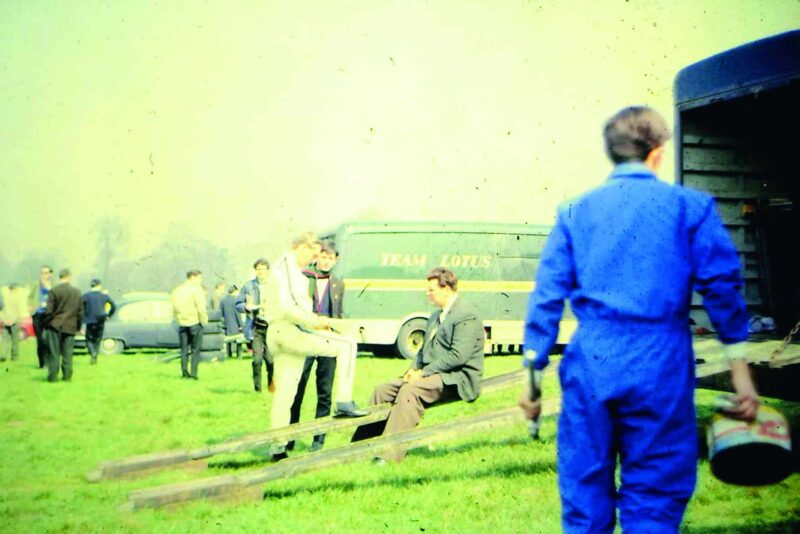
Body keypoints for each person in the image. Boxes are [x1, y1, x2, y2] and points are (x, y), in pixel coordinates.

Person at [517, 106, 760, 534]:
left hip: (592, 362)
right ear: (658, 151)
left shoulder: (574, 212)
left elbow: (546, 299)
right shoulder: (691, 207)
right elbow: (724, 290)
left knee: (584, 495)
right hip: (660, 364)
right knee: (654, 497)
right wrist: (742, 378)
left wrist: (532, 383)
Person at [352, 268, 485, 462]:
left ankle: (388, 455)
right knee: (382, 390)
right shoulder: (434, 317)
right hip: (432, 375)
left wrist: (422, 374)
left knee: (410, 392)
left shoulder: (467, 315)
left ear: (446, 288)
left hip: (457, 378)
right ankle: (359, 448)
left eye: (431, 289)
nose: (427, 293)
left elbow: (458, 356)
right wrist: (412, 371)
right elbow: (423, 352)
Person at [264, 232, 368, 460]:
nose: (311, 260)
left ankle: (278, 447)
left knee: (286, 392)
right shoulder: (287, 268)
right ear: (301, 247)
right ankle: (343, 401)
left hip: (281, 333)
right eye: (311, 254)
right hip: (290, 330)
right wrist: (317, 322)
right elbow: (290, 307)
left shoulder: (285, 268)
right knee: (348, 345)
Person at [288, 242, 345, 452]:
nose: (326, 261)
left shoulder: (339, 283)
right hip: (305, 339)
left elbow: (338, 313)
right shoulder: (304, 279)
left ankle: (318, 439)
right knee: (297, 389)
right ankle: (289, 437)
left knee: (325, 391)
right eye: (323, 257)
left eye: (330, 258)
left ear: (335, 261)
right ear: (316, 257)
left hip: (328, 342)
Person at [235, 258, 273, 392]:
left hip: (272, 327)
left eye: (263, 269)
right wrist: (247, 307)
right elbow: (238, 304)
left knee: (271, 361)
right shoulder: (248, 286)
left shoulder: (275, 286)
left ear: (268, 270)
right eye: (258, 269)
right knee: (257, 360)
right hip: (256, 326)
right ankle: (257, 390)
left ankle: (271, 387)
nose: (260, 272)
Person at [43, 269, 83, 382]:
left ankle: (52, 377)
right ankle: (67, 377)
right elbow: (80, 312)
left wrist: (48, 323)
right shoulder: (77, 292)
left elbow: (48, 311)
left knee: (54, 353)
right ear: (69, 277)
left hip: (55, 325)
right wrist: (78, 326)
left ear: (60, 277)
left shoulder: (54, 291)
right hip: (70, 326)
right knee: (68, 353)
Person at [171, 270, 208, 380]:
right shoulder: (196, 290)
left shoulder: (177, 290)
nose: (201, 281)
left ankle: (184, 372)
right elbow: (201, 308)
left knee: (184, 350)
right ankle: (194, 373)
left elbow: (173, 308)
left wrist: (178, 319)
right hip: (195, 322)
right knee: (195, 350)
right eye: (200, 278)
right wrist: (204, 321)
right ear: (193, 277)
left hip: (182, 323)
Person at [82, 279, 117, 365]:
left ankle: (92, 353)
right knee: (97, 339)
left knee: (89, 339)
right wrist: (109, 315)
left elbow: (80, 307)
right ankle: (95, 356)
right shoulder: (104, 296)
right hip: (101, 320)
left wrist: (83, 316)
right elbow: (114, 306)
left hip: (89, 321)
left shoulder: (86, 296)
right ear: (99, 285)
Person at [28, 265, 54, 368]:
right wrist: (29, 305)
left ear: (50, 274)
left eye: (46, 273)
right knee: (40, 339)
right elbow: (30, 297)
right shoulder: (36, 285)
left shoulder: (54, 285)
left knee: (48, 338)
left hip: (49, 315)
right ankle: (43, 363)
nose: (43, 275)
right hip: (38, 314)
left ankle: (49, 360)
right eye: (42, 273)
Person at [1, 283, 30, 362]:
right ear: (14, 289)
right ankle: (14, 357)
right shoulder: (17, 298)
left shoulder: (4, 298)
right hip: (14, 321)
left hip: (6, 321)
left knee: (5, 339)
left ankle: (3, 355)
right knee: (15, 340)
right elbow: (18, 311)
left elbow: (3, 310)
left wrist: (4, 319)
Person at [220, 285, 243, 359]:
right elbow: (238, 314)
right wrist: (241, 325)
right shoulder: (236, 300)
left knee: (228, 341)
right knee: (238, 340)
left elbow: (221, 313)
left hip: (226, 324)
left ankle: (229, 354)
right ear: (235, 291)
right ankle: (239, 355)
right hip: (235, 325)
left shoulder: (223, 300)